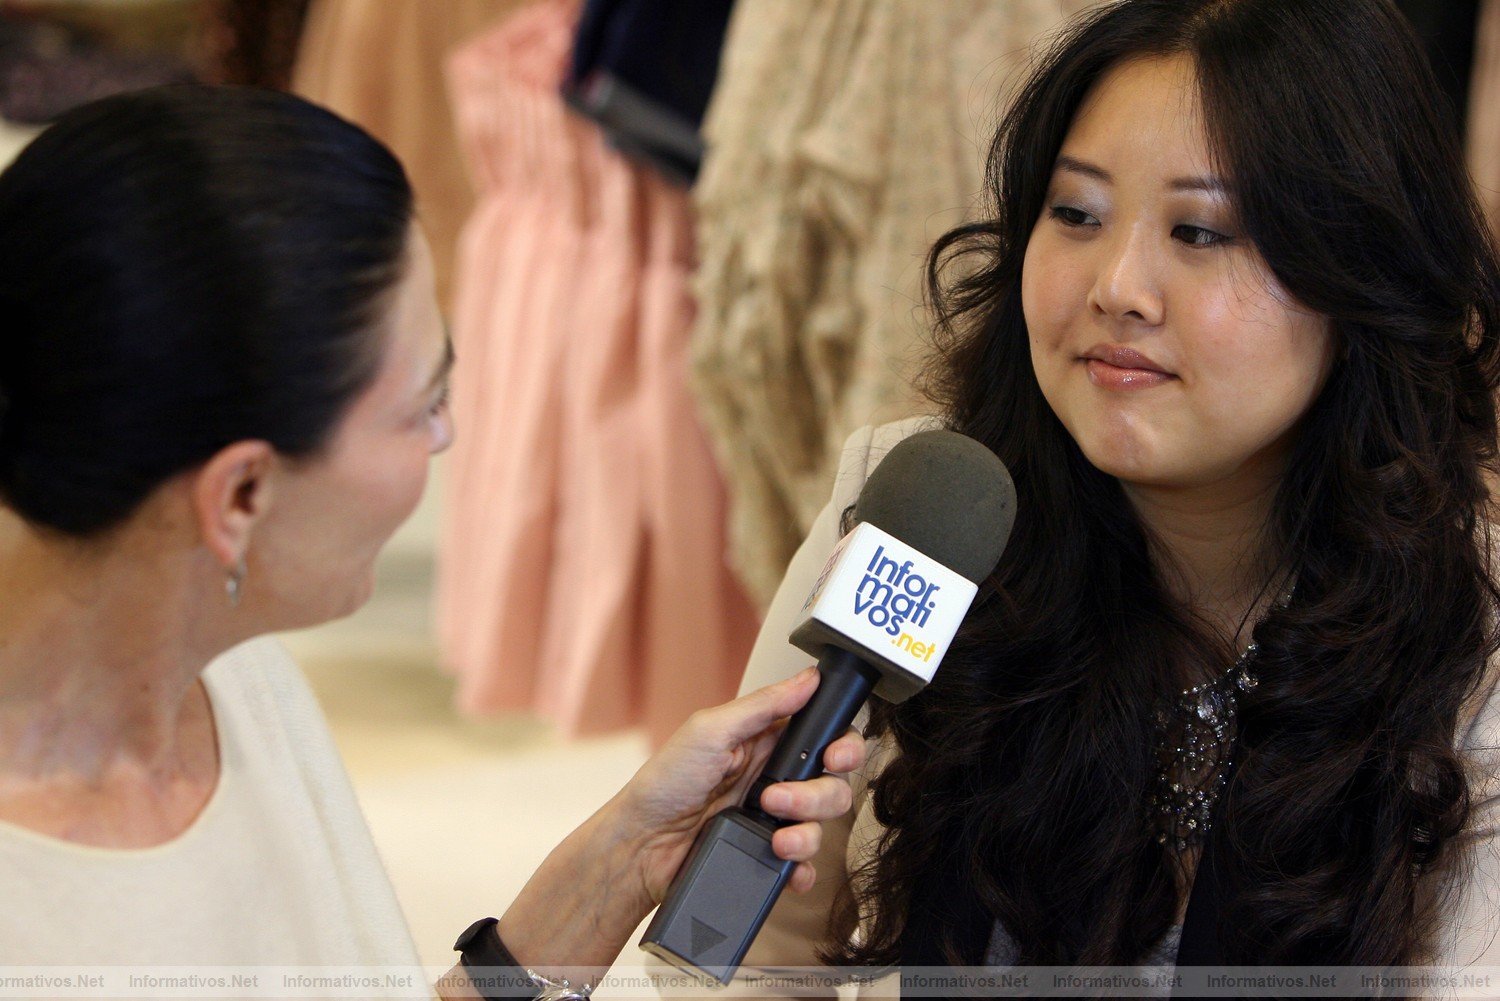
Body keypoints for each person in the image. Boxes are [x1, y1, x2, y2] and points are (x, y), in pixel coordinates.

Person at [0, 84, 866, 1000]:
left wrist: (617, 866)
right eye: (422, 406)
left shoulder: (227, 677)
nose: (449, 434)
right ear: (243, 492)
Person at [733, 0, 1500, 985]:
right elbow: (744, 961)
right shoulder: (929, 513)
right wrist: (787, 856)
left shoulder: (1469, 632)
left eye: (1201, 229)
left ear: (1357, 274)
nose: (1119, 287)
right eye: (1077, 214)